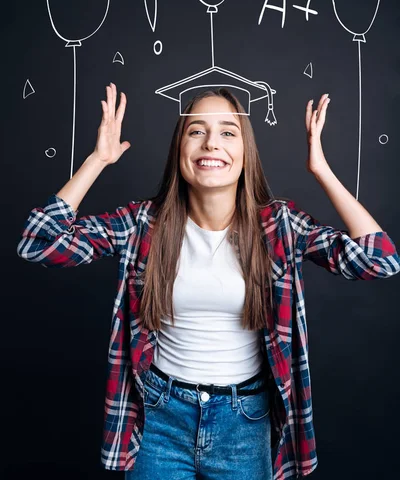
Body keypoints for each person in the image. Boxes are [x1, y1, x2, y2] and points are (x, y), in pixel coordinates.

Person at [17, 82, 400, 480]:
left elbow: (380, 259)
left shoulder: (278, 227)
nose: (211, 143)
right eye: (196, 130)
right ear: (180, 149)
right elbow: (39, 243)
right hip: (158, 419)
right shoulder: (142, 224)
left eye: (227, 132)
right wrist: (98, 159)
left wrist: (321, 170)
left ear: (244, 153)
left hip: (245, 422)